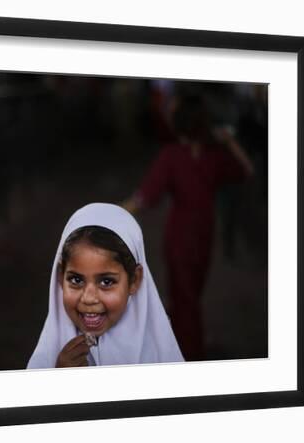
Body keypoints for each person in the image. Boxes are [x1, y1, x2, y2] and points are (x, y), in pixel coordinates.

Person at [122, 94, 254, 361]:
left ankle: (189, 354)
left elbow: (144, 198)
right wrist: (228, 141)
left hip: (180, 238)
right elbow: (246, 170)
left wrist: (114, 211)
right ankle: (183, 343)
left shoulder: (172, 156)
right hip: (204, 236)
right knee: (190, 296)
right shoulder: (214, 156)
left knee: (185, 300)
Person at [27, 203, 184, 369]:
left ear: (135, 280)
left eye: (106, 282)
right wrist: (58, 379)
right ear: (60, 277)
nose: (88, 298)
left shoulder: (160, 359)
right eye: (76, 280)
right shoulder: (49, 359)